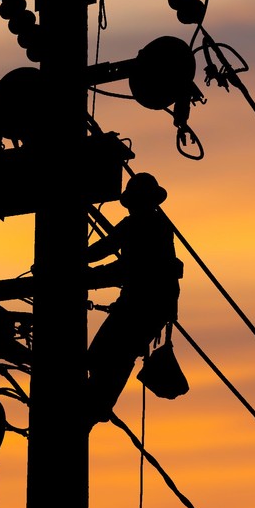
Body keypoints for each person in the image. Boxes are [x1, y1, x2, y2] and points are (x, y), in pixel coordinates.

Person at [84, 172, 182, 424]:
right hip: (153, 307)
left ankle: (96, 405)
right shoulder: (156, 225)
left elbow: (110, 252)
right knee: (116, 354)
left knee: (105, 353)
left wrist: (68, 264)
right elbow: (110, 252)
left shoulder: (141, 225)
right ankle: (97, 404)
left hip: (140, 305)